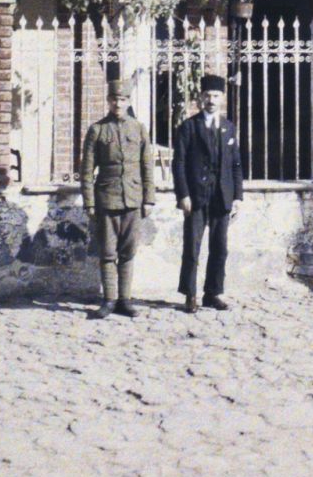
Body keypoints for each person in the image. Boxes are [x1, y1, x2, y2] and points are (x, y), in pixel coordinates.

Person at [78, 76, 156, 319]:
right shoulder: (98, 130)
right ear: (108, 101)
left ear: (128, 101)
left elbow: (147, 166)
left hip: (133, 199)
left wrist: (149, 199)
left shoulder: (139, 128)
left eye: (122, 100)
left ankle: (125, 300)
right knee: (108, 252)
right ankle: (109, 300)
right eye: (114, 99)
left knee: (128, 252)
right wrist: (89, 202)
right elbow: (86, 171)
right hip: (107, 199)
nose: (118, 104)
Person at [172, 73, 244, 312]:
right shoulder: (189, 127)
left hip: (222, 196)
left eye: (215, 96)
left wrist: (238, 197)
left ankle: (212, 293)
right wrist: (183, 195)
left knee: (220, 248)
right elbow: (179, 163)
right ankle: (190, 294)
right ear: (200, 98)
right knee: (192, 247)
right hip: (196, 197)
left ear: (222, 98)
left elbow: (236, 164)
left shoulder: (229, 128)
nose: (211, 100)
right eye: (207, 96)